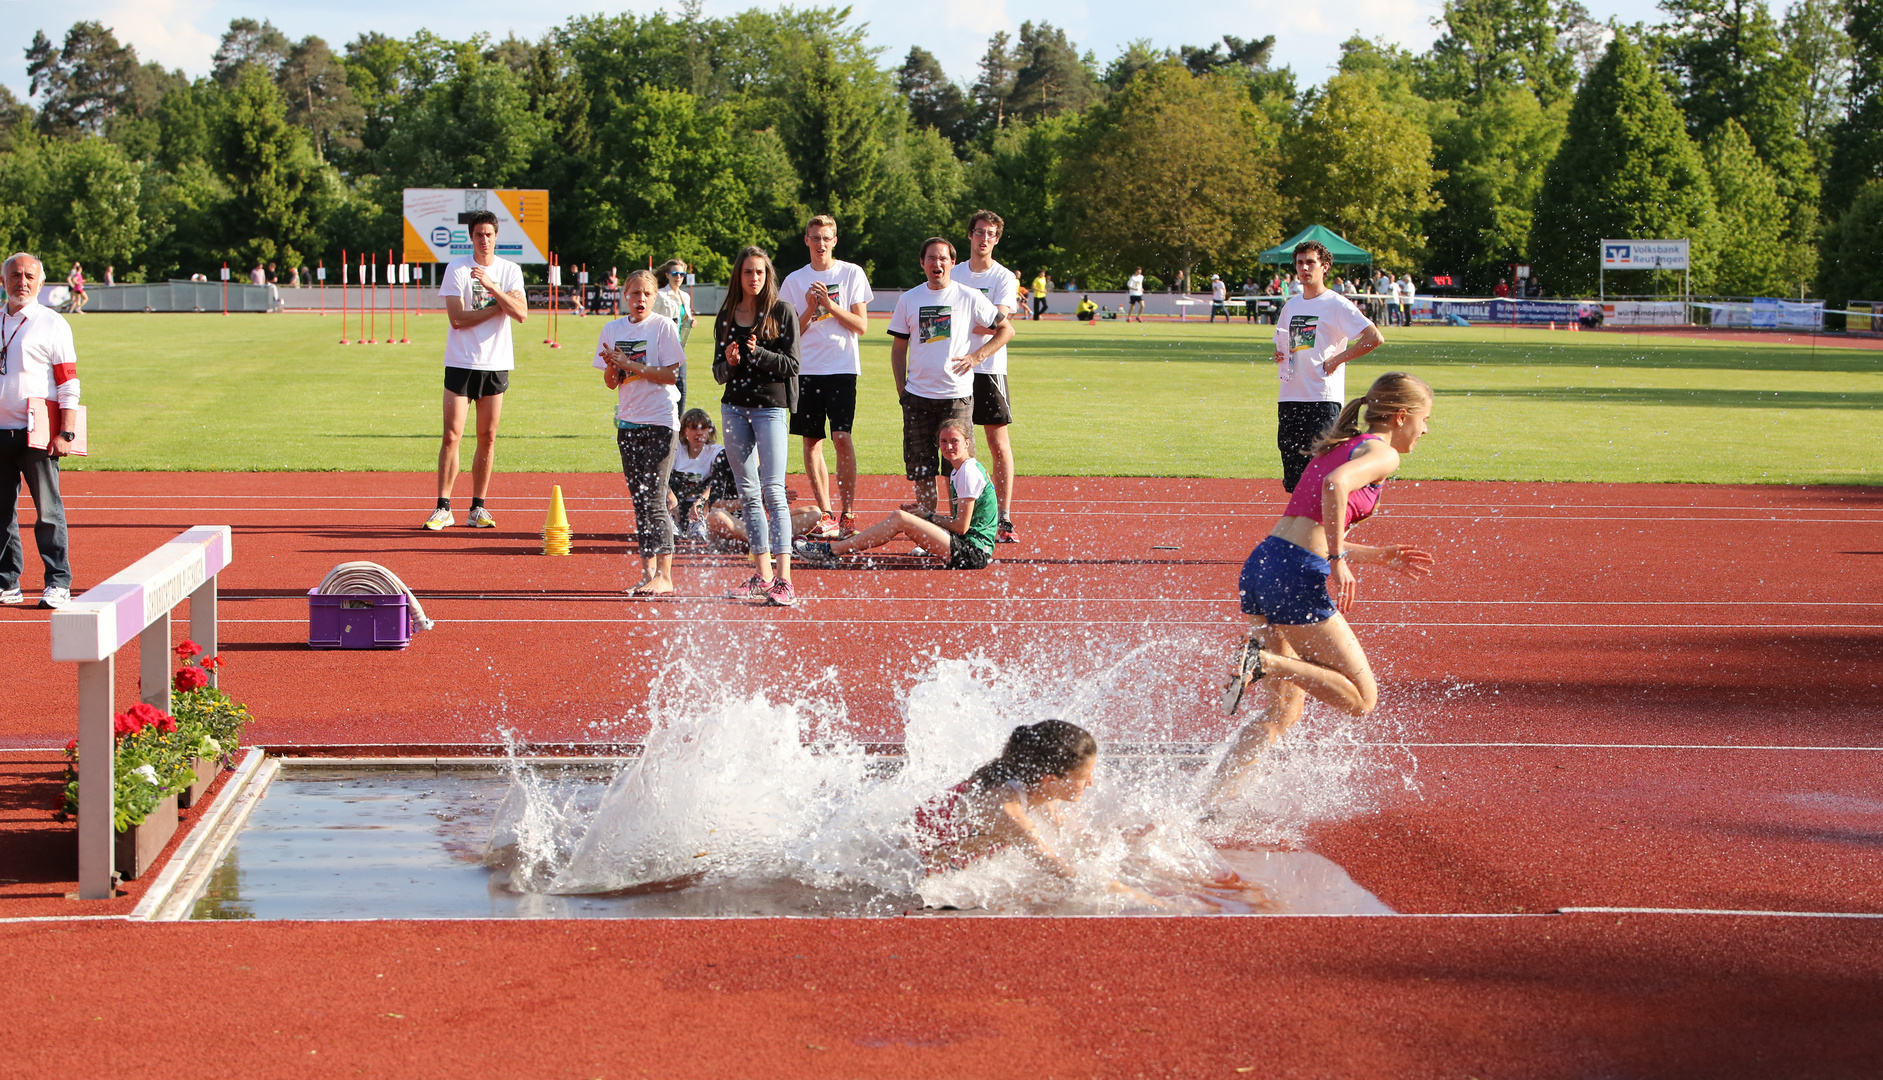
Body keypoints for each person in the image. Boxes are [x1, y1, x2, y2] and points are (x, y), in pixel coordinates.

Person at [1212, 373, 1437, 801]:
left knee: (1284, 710)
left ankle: (1215, 801)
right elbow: (1337, 487)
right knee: (1361, 699)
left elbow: (1306, 526)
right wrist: (1337, 560)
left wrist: (1373, 554)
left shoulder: (1339, 446)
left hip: (1264, 564)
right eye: (1425, 419)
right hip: (1296, 573)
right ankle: (1264, 663)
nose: (1425, 430)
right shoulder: (1384, 453)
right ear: (1402, 415)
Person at [888, 237, 1014, 515]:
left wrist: (976, 357)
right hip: (918, 397)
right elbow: (898, 349)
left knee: (958, 467)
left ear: (952, 263)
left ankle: (959, 528)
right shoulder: (909, 299)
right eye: (931, 258)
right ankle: (928, 528)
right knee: (922, 468)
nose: (937, 263)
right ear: (922, 263)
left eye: (943, 258)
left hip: (956, 397)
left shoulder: (969, 296)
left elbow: (1006, 330)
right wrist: (902, 389)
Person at [423, 209, 528, 530]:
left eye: (489, 234)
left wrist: (492, 288)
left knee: (488, 437)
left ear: (497, 237)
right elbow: (457, 319)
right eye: (479, 234)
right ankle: (443, 507)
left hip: (496, 364)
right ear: (471, 237)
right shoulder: (457, 268)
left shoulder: (510, 270)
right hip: (460, 361)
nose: (484, 239)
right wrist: (500, 306)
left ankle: (478, 508)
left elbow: (521, 313)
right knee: (452, 435)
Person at [714, 245, 802, 607]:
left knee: (773, 492)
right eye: (748, 272)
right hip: (734, 409)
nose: (754, 278)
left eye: (760, 272)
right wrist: (732, 362)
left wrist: (758, 353)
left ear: (768, 276)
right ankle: (762, 575)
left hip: (770, 409)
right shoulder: (726, 314)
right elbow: (718, 372)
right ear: (739, 275)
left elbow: (792, 364)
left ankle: (785, 580)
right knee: (748, 495)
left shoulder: (782, 312)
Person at [795, 418, 995, 570]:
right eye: (943, 441)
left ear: (967, 443)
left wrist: (928, 517)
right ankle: (833, 550)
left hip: (973, 553)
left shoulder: (968, 472)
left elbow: (961, 526)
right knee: (903, 519)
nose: (948, 446)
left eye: (954, 441)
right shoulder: (960, 469)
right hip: (967, 546)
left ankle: (830, 551)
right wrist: (925, 515)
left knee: (900, 519)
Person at [781, 214, 873, 542]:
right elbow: (788, 333)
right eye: (815, 237)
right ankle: (826, 513)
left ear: (835, 241)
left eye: (826, 238)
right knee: (811, 442)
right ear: (806, 240)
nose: (821, 244)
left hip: (842, 368)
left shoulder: (851, 274)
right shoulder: (793, 280)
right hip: (806, 370)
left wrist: (830, 305)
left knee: (842, 438)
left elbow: (862, 325)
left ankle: (848, 513)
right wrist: (808, 308)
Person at [594, 269, 686, 596]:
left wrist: (631, 365)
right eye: (634, 294)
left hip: (660, 421)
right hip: (628, 422)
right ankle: (647, 573)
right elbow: (610, 382)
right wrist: (613, 365)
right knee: (639, 500)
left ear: (655, 296)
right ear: (625, 296)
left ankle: (666, 575)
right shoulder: (612, 328)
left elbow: (671, 375)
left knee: (656, 497)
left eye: (647, 294)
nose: (641, 299)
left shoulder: (662, 326)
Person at [1271, 240, 1385, 494]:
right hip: (1290, 397)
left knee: (1322, 476)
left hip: (1321, 399)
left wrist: (1336, 359)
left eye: (1310, 262)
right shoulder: (1291, 306)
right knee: (1295, 480)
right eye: (1299, 263)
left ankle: (1325, 530)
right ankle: (1300, 532)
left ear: (1325, 266)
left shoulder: (1336, 304)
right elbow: (1287, 346)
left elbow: (1373, 338)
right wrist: (1280, 354)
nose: (1304, 268)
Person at [0, 253, 78, 609]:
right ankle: (7, 582)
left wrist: (67, 432)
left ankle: (57, 581)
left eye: (29, 276)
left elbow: (68, 381)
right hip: (0, 432)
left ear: (41, 283)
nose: (22, 282)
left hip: (38, 435)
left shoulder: (53, 323)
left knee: (48, 511)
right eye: (15, 275)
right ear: (3, 280)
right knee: (1, 512)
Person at [948, 209, 1022, 545]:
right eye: (980, 232)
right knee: (953, 444)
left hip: (989, 367)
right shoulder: (956, 271)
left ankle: (1003, 517)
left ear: (997, 238)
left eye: (991, 233)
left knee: (997, 442)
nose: (985, 238)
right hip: (954, 367)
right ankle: (957, 514)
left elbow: (998, 323)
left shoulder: (1004, 278)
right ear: (970, 235)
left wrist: (968, 326)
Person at [651, 260, 695, 414]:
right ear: (667, 274)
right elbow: (651, 318)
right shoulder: (661, 295)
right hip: (661, 346)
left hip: (678, 346)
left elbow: (683, 318)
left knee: (681, 385)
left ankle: (678, 423)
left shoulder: (685, 296)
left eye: (682, 274)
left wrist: (690, 322)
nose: (678, 277)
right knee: (661, 386)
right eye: (675, 273)